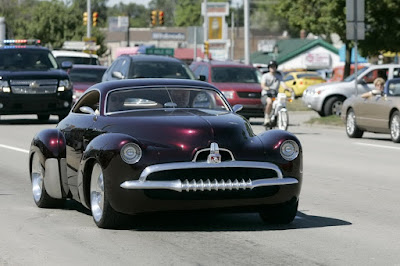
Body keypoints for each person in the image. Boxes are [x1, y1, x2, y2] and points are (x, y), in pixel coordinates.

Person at [260, 60, 291, 125]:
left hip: (275, 94)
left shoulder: (279, 76)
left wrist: (288, 88)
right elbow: (263, 85)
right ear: (269, 68)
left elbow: (283, 84)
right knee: (269, 102)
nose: (272, 68)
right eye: (271, 67)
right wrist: (266, 88)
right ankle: (267, 118)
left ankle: (277, 117)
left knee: (280, 102)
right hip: (266, 94)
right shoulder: (265, 76)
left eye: (274, 67)